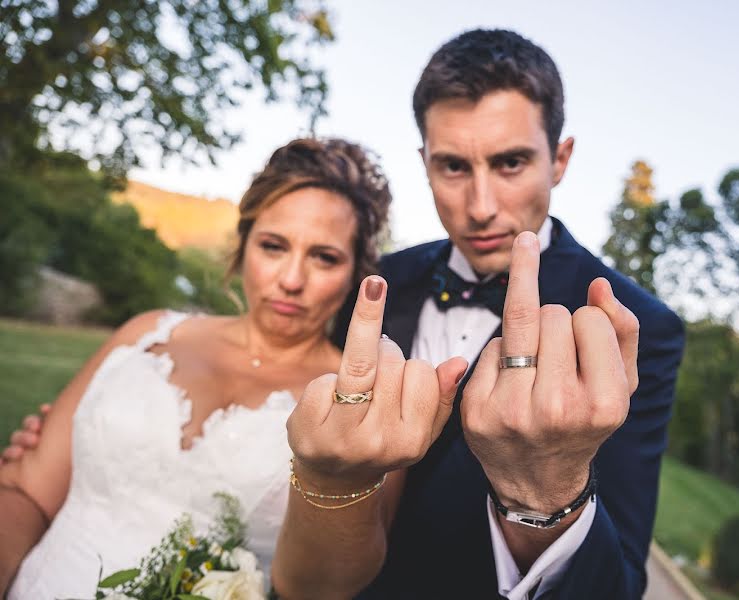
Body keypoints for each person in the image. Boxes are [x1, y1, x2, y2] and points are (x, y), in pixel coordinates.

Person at [269, 29, 685, 599]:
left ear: (559, 159)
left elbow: (618, 585)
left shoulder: (633, 324)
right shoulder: (375, 282)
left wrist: (549, 494)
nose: (481, 206)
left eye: (511, 163)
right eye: (453, 167)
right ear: (424, 163)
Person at [0, 137, 429, 598]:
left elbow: (324, 588)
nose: (290, 279)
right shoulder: (148, 333)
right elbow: (25, 492)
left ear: (355, 272)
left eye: (324, 257)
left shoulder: (363, 410)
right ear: (243, 245)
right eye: (273, 246)